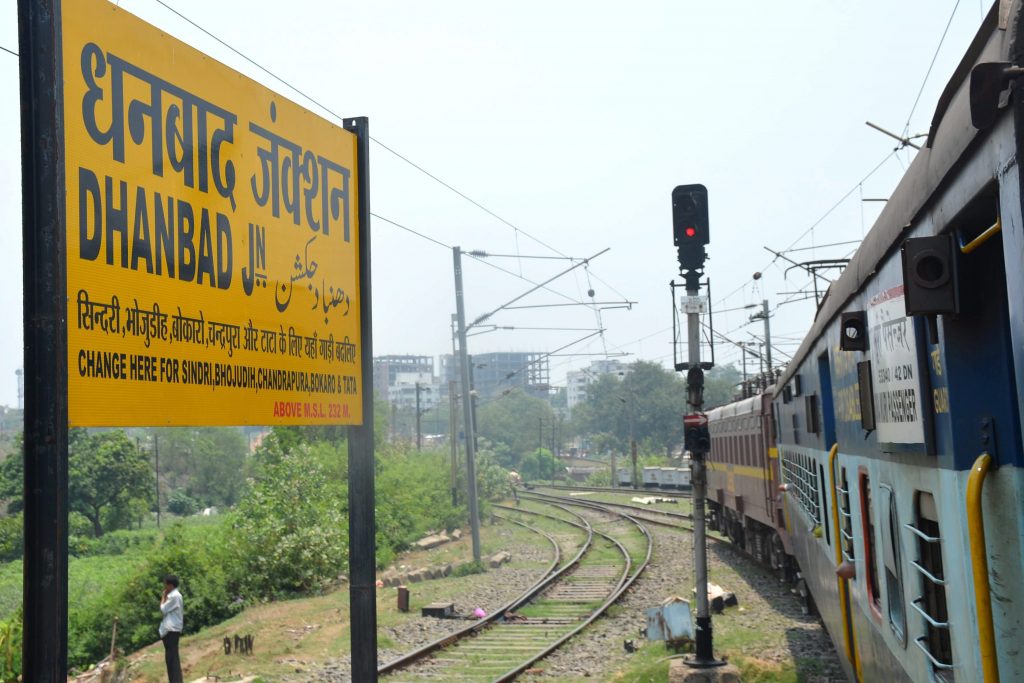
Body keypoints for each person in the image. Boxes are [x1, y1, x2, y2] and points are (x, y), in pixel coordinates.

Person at [159, 574, 184, 683]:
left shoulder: (174, 596)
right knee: (170, 657)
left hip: (172, 629)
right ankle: (174, 680)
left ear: (170, 585)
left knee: (172, 657)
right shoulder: (175, 596)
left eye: (166, 585)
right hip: (170, 629)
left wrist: (163, 597)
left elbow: (163, 609)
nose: (165, 587)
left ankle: (176, 680)